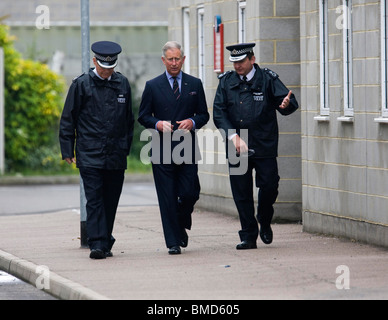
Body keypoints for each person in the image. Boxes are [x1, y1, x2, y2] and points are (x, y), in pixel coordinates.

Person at [213, 43, 299, 250]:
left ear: (252, 59)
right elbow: (219, 112)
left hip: (263, 142)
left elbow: (288, 101)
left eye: (241, 61)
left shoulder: (267, 78)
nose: (238, 66)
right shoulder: (226, 82)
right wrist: (233, 136)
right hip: (237, 145)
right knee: (241, 192)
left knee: (269, 185)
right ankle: (248, 236)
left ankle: (264, 218)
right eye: (234, 62)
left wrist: (287, 105)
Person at [59, 41, 134, 259]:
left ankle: (106, 239)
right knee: (94, 199)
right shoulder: (81, 85)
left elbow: (128, 121)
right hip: (89, 153)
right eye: (103, 67)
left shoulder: (122, 84)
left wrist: (125, 148)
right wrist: (67, 149)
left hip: (116, 154)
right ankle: (97, 244)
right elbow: (68, 119)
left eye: (110, 67)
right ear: (94, 61)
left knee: (111, 199)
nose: (106, 70)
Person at [138, 41, 209, 255]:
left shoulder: (194, 84)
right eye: (170, 59)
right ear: (163, 60)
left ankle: (181, 222)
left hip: (186, 146)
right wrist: (157, 124)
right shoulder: (152, 85)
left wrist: (193, 122)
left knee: (190, 193)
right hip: (161, 148)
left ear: (183, 59)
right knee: (167, 196)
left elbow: (204, 114)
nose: (174, 63)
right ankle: (173, 242)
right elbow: (143, 116)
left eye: (178, 58)